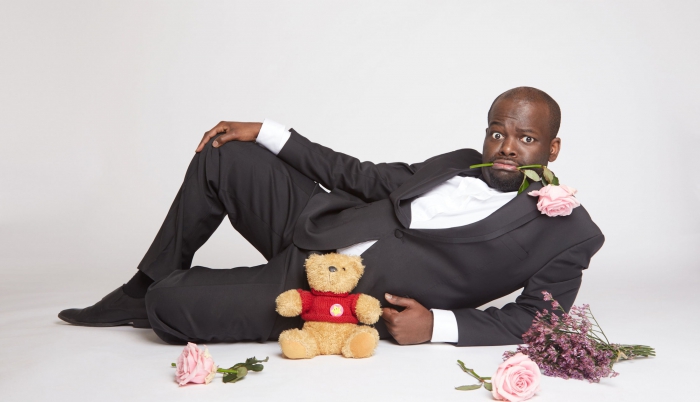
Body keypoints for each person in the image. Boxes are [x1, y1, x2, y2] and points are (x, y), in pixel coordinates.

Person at [58, 87, 604, 346]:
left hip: (333, 295)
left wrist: (437, 326)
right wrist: (270, 133)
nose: (506, 147)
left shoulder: (569, 232)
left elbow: (537, 319)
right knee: (227, 154)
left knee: (170, 306)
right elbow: (362, 176)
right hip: (318, 224)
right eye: (497, 132)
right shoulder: (459, 162)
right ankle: (140, 284)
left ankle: (163, 293)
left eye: (525, 138)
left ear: (552, 148)